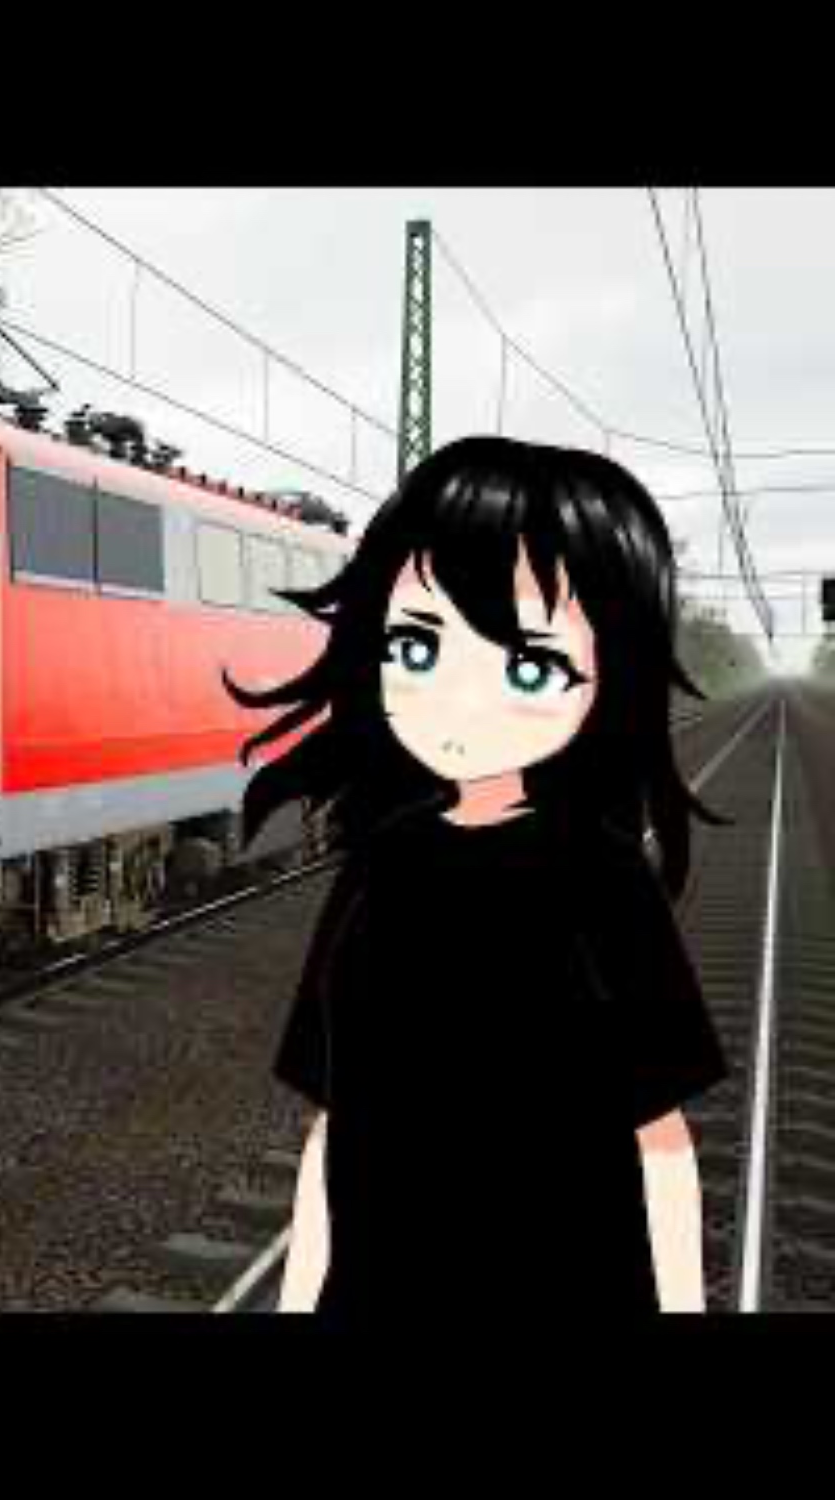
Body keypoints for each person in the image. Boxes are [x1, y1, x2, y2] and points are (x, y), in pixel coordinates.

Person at [225, 435, 729, 1315]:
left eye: (530, 666)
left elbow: (659, 1143)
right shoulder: (379, 865)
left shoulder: (604, 877)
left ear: (611, 675)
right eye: (418, 648)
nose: (460, 702)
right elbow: (332, 1130)